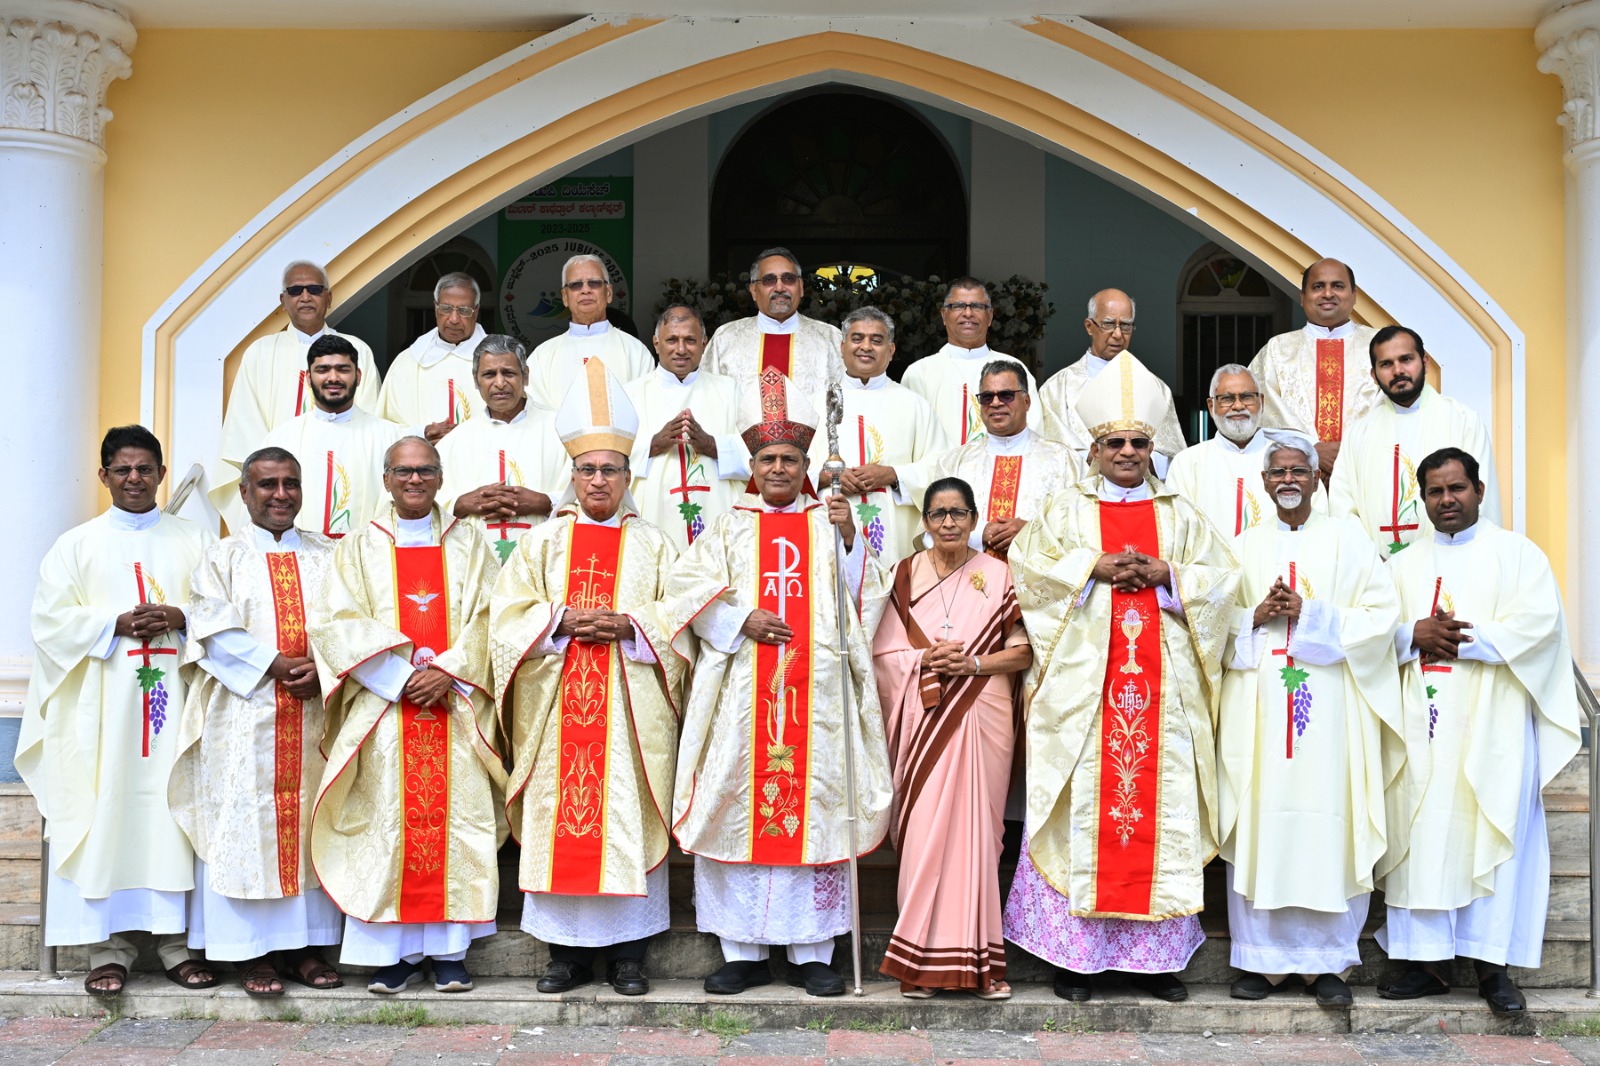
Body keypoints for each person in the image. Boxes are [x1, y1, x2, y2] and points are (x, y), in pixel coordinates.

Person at [1004, 352, 1238, 1003]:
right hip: (1086, 700)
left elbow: (1223, 583)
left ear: (1152, 446)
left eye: (1138, 442)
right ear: (1095, 447)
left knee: (1156, 816)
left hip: (1159, 700)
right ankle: (1077, 962)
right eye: (1115, 442)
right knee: (1085, 821)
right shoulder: (1065, 511)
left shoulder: (1181, 514)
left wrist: (1170, 577)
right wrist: (1092, 567)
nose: (1128, 452)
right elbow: (1031, 569)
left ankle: (1155, 964)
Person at [667, 366, 893, 998]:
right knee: (739, 807)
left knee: (818, 811)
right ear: (752, 464)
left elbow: (863, 600)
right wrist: (740, 617)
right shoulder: (730, 525)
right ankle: (742, 951)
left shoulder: (830, 523)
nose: (778, 469)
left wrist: (851, 541)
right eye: (768, 458)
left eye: (790, 459)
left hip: (816, 694)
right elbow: (687, 592)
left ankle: (813, 953)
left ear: (805, 464)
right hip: (744, 692)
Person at [491, 360, 686, 997]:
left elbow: (680, 618)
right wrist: (560, 619)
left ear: (629, 477)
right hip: (558, 706)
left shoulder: (656, 544)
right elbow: (506, 616)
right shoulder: (545, 542)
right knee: (560, 819)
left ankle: (629, 955)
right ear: (571, 475)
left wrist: (631, 627)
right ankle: (565, 957)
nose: (598, 479)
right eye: (587, 469)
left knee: (624, 819)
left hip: (628, 711)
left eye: (610, 469)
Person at [1375, 447, 1582, 1014]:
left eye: (1457, 488)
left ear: (1479, 491)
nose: (1447, 500)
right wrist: (1411, 636)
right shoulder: (1399, 565)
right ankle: (1426, 963)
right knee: (1422, 832)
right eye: (1436, 492)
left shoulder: (1518, 556)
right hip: (1421, 725)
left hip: (1495, 723)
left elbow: (1540, 627)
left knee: (1491, 826)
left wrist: (1461, 638)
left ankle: (1494, 966)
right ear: (1423, 499)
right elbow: (1377, 632)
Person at [17, 425, 217, 997]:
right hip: (102, 709)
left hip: (175, 702)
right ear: (104, 475)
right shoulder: (75, 545)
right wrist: (115, 624)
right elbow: (49, 621)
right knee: (106, 810)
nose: (135, 479)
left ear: (159, 471)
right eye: (122, 470)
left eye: (145, 468)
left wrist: (179, 616)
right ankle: (109, 948)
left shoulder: (196, 540)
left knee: (174, 813)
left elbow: (222, 608)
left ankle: (178, 945)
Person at [308, 436, 507, 995]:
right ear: (387, 478)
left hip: (455, 703)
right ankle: (391, 954)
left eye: (424, 471)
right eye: (403, 471)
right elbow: (335, 621)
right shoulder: (357, 548)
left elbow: (492, 617)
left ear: (441, 477)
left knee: (456, 824)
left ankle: (448, 953)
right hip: (385, 709)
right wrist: (398, 678)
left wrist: (450, 671)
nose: (414, 481)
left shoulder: (470, 544)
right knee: (387, 822)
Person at [1217, 430, 1401, 1007]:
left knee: (1329, 824)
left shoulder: (1350, 540)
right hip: (1260, 714)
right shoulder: (1243, 547)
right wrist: (1255, 614)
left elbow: (1382, 617)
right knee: (1261, 823)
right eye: (1279, 473)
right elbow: (1214, 625)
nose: (1289, 480)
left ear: (1317, 479)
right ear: (1264, 483)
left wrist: (1312, 615)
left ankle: (1328, 966)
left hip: (1332, 714)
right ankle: (1259, 963)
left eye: (1299, 470)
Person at [169, 446, 344, 996]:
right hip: (244, 713)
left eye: (290, 483)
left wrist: (325, 667)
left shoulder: (332, 555)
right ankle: (250, 954)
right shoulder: (221, 557)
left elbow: (352, 621)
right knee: (244, 819)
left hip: (315, 707)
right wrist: (274, 664)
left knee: (311, 818)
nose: (280, 494)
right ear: (244, 492)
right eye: (267, 484)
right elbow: (211, 627)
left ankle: (305, 949)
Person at [872, 477, 1031, 999]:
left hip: (981, 715)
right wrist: (923, 660)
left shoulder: (998, 573)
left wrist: (974, 662)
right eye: (938, 514)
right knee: (923, 836)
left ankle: (982, 966)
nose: (948, 523)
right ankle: (917, 964)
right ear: (923, 521)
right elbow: (880, 654)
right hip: (923, 714)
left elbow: (1023, 651)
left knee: (978, 838)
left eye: (959, 513)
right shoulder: (904, 574)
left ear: (973, 518)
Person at [210, 262, 381, 514]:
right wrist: (273, 471)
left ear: (328, 297)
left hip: (342, 474)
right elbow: (245, 425)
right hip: (278, 486)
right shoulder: (261, 353)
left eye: (314, 289)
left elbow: (369, 422)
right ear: (283, 300)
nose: (305, 297)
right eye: (295, 290)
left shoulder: (357, 351)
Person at [1327, 326, 1499, 556]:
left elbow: (1480, 501)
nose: (1398, 370)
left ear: (1425, 362)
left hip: (1449, 559)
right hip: (1376, 573)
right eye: (1386, 364)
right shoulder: (1358, 433)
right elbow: (1342, 508)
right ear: (1373, 375)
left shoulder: (1462, 421)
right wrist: (1369, 561)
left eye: (1406, 359)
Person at [807, 307, 950, 564]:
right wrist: (825, 475)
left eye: (876, 340)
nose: (866, 347)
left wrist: (894, 475)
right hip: (828, 525)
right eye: (857, 338)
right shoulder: (815, 405)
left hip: (896, 535)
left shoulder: (914, 405)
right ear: (842, 347)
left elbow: (941, 466)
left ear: (891, 350)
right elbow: (788, 466)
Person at [924, 360, 1081, 561]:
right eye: (987, 397)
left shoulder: (1064, 461)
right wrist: (980, 532)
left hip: (1036, 585)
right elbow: (930, 530)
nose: (996, 403)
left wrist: (1031, 532)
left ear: (1027, 402)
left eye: (1006, 395)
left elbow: (1082, 530)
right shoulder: (954, 463)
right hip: (967, 582)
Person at [255, 336, 409, 539]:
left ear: (359, 376)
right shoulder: (280, 439)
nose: (333, 378)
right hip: (301, 558)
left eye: (343, 369)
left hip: (368, 559)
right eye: (323, 370)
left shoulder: (391, 437)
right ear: (308, 378)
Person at [622, 305, 749, 552]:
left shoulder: (728, 390)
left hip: (717, 515)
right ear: (656, 344)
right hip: (653, 518)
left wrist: (713, 445)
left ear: (704, 343)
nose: (681, 349)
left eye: (690, 340)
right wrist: (653, 444)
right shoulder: (632, 393)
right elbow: (609, 457)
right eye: (672, 340)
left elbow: (756, 453)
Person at [435, 334, 566, 563]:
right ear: (476, 381)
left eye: (509, 373)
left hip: (545, 561)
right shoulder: (455, 441)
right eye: (489, 374)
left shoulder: (561, 431)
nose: (499, 383)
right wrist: (461, 503)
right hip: (474, 566)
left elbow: (587, 496)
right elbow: (424, 504)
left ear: (525, 376)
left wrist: (545, 502)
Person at [1250, 258, 1381, 480]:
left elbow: (1394, 407)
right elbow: (1256, 413)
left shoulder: (1379, 345)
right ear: (1303, 297)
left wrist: (1347, 450)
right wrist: (1312, 449)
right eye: (1318, 286)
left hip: (1366, 470)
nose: (1328, 293)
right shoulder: (1278, 349)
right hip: (1296, 477)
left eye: (1337, 286)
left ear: (1354, 295)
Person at [1035, 289, 1185, 475]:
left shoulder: (1155, 388)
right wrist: (1094, 459)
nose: (1117, 334)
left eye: (1126, 326)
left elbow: (1170, 452)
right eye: (1108, 324)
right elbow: (1049, 447)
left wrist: (1136, 460)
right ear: (1089, 326)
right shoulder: (1058, 388)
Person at [1166, 365, 1324, 539]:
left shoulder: (1293, 460)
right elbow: (1177, 531)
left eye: (1247, 397)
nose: (1238, 406)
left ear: (1261, 402)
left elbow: (1317, 529)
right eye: (1227, 398)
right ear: (1211, 407)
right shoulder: (1187, 462)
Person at [900, 277, 1040, 445]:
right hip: (938, 470)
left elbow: (1033, 430)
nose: (968, 313)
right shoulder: (920, 372)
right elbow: (907, 436)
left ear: (990, 316)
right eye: (958, 306)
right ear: (944, 315)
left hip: (1000, 468)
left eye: (977, 306)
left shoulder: (1014, 369)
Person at [703, 246, 842, 400]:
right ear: (754, 290)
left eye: (788, 278)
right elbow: (708, 400)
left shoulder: (830, 338)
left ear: (801, 287)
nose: (780, 287)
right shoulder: (725, 338)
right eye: (769, 280)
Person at [526, 255, 655, 412]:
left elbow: (646, 407)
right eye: (575, 285)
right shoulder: (542, 356)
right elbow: (535, 411)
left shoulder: (635, 351)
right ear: (565, 297)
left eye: (594, 283)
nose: (585, 290)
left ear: (608, 293)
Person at [376, 272, 489, 441]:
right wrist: (422, 433)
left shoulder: (497, 361)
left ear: (476, 311)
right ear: (435, 308)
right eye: (446, 308)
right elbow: (385, 427)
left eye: (464, 310)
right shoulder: (407, 362)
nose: (454, 319)